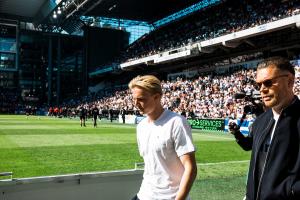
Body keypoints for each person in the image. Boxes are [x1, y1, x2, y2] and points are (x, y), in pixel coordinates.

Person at [230, 56, 300, 200]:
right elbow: (251, 149)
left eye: (268, 83)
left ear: (289, 81)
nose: (262, 89)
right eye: (258, 85)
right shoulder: (260, 121)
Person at [129, 75, 197, 200]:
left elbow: (191, 168)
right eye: (134, 99)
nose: (136, 104)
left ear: (157, 97)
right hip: (144, 194)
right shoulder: (141, 126)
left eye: (141, 99)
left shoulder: (177, 123)